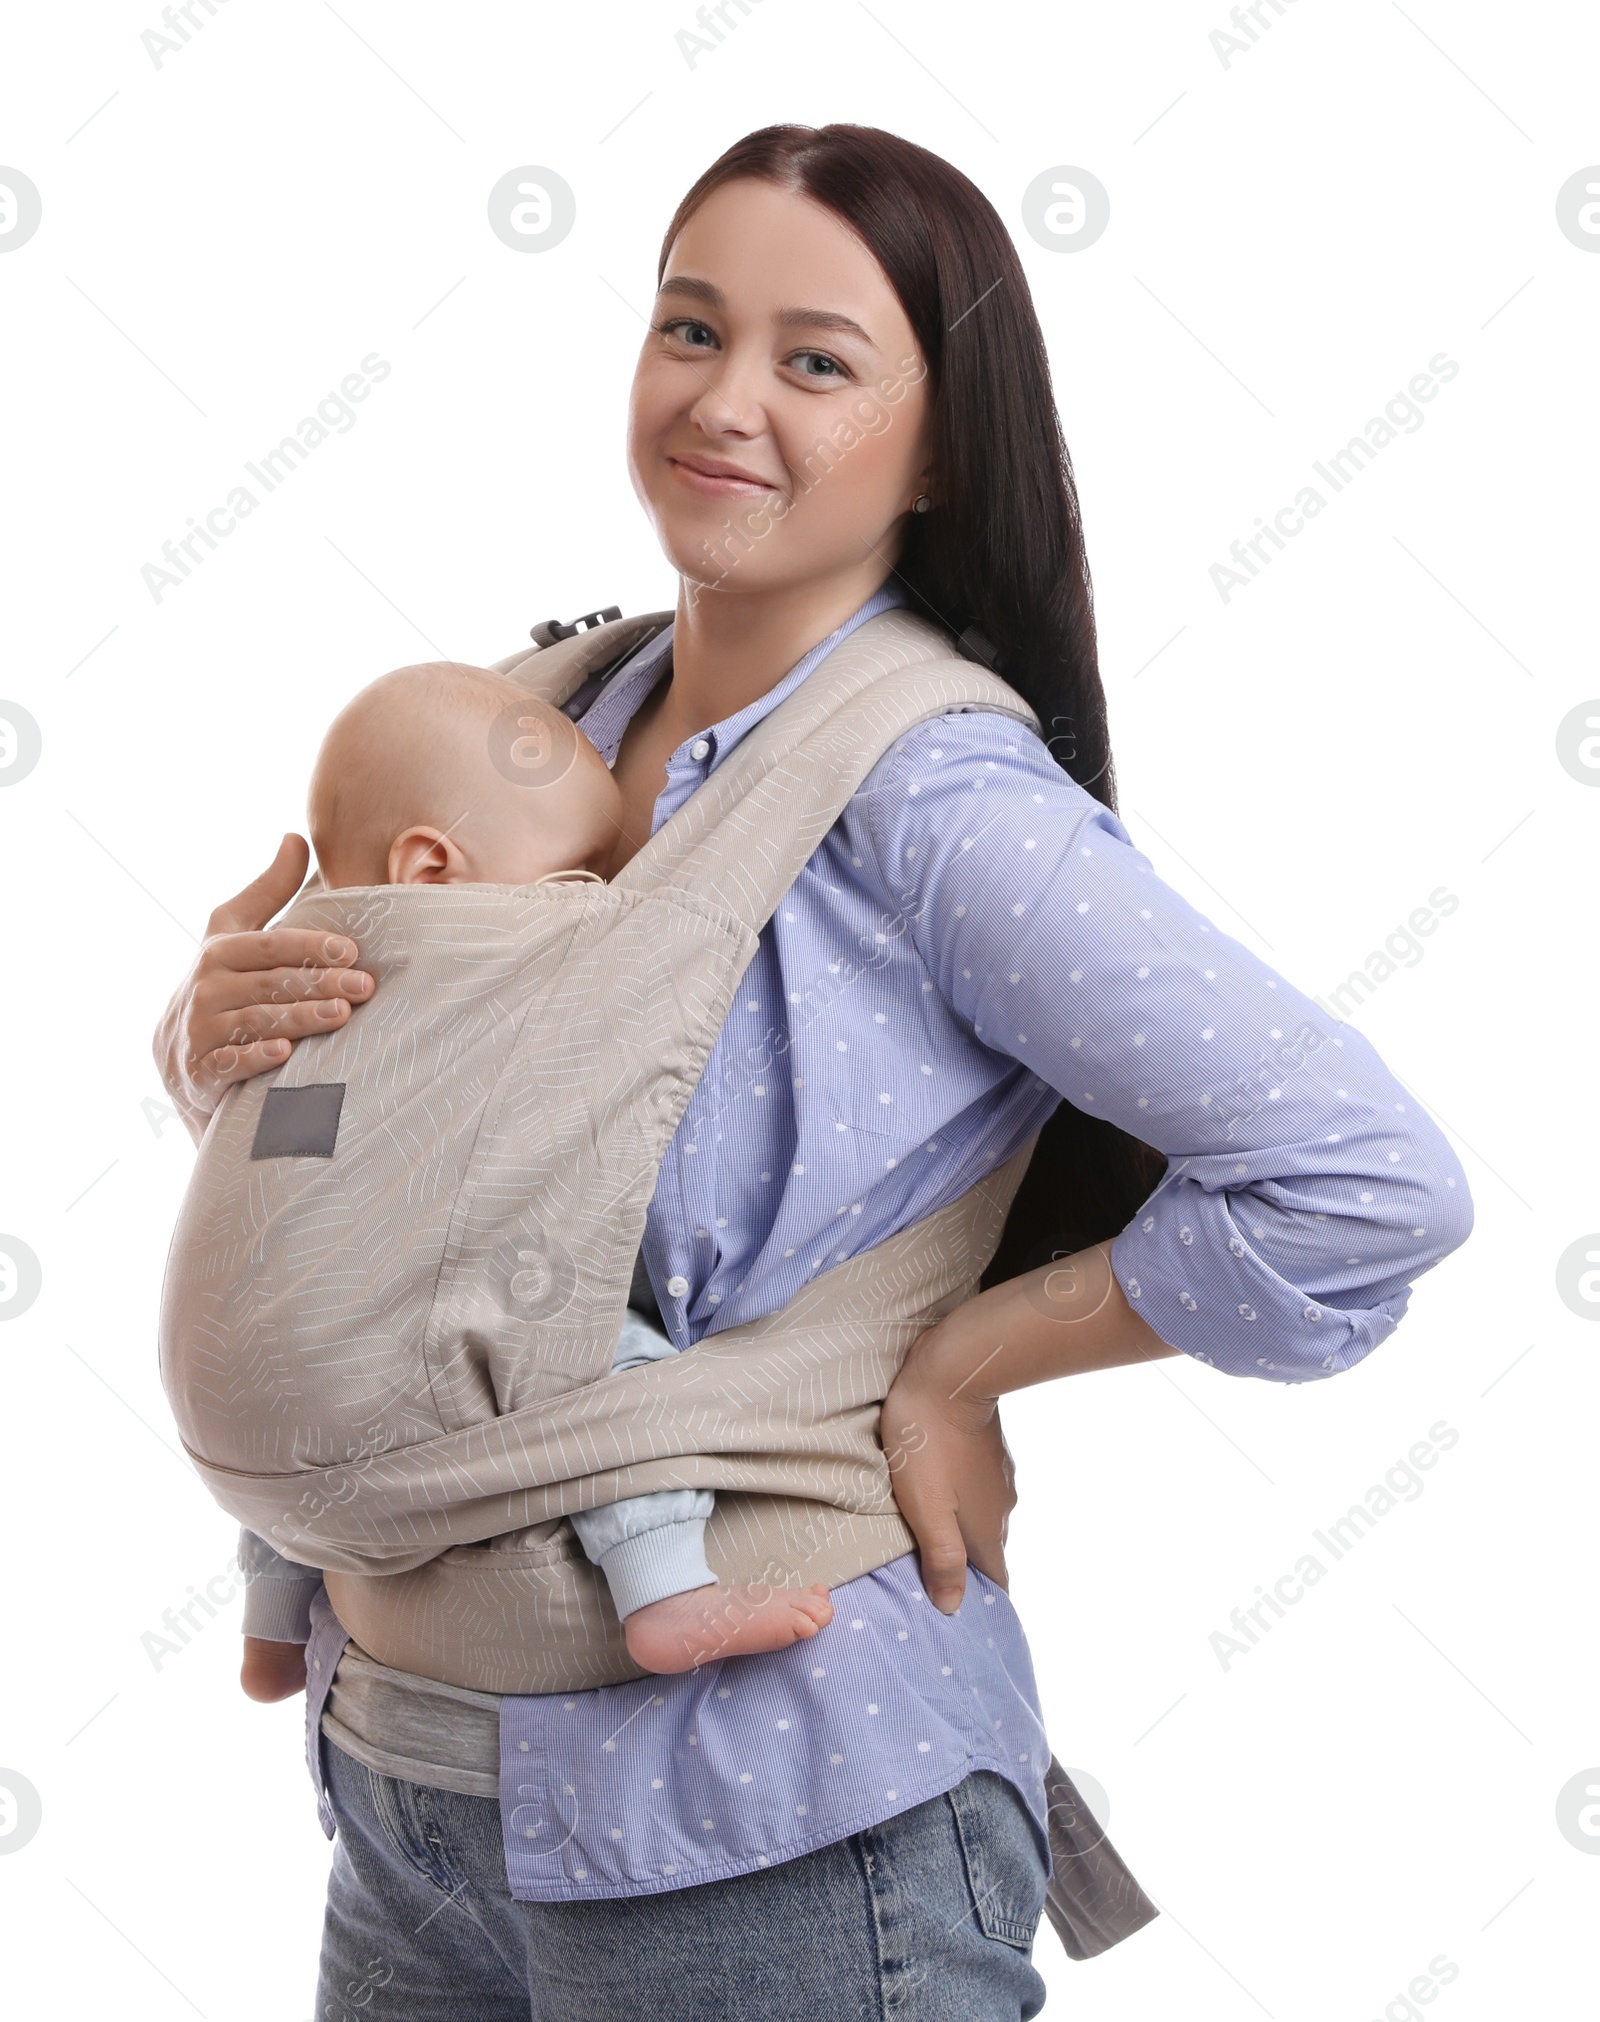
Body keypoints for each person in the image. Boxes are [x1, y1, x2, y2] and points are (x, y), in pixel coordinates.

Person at [154, 124, 1473, 2019]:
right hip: (412, 1795)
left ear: (943, 447)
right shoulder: (543, 715)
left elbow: (1369, 1180)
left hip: (760, 1822)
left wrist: (971, 1357)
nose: (724, 399)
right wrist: (231, 1040)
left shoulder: (936, 797)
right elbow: (424, 1184)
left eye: (818, 358)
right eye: (691, 328)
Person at [235, 658, 832, 1696]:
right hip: (396, 1354)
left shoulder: (294, 978)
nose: (605, 895)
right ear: (432, 872)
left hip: (252, 1402)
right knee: (609, 1359)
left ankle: (271, 1625)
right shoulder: (484, 986)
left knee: (292, 1384)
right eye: (582, 870)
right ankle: (663, 1593)